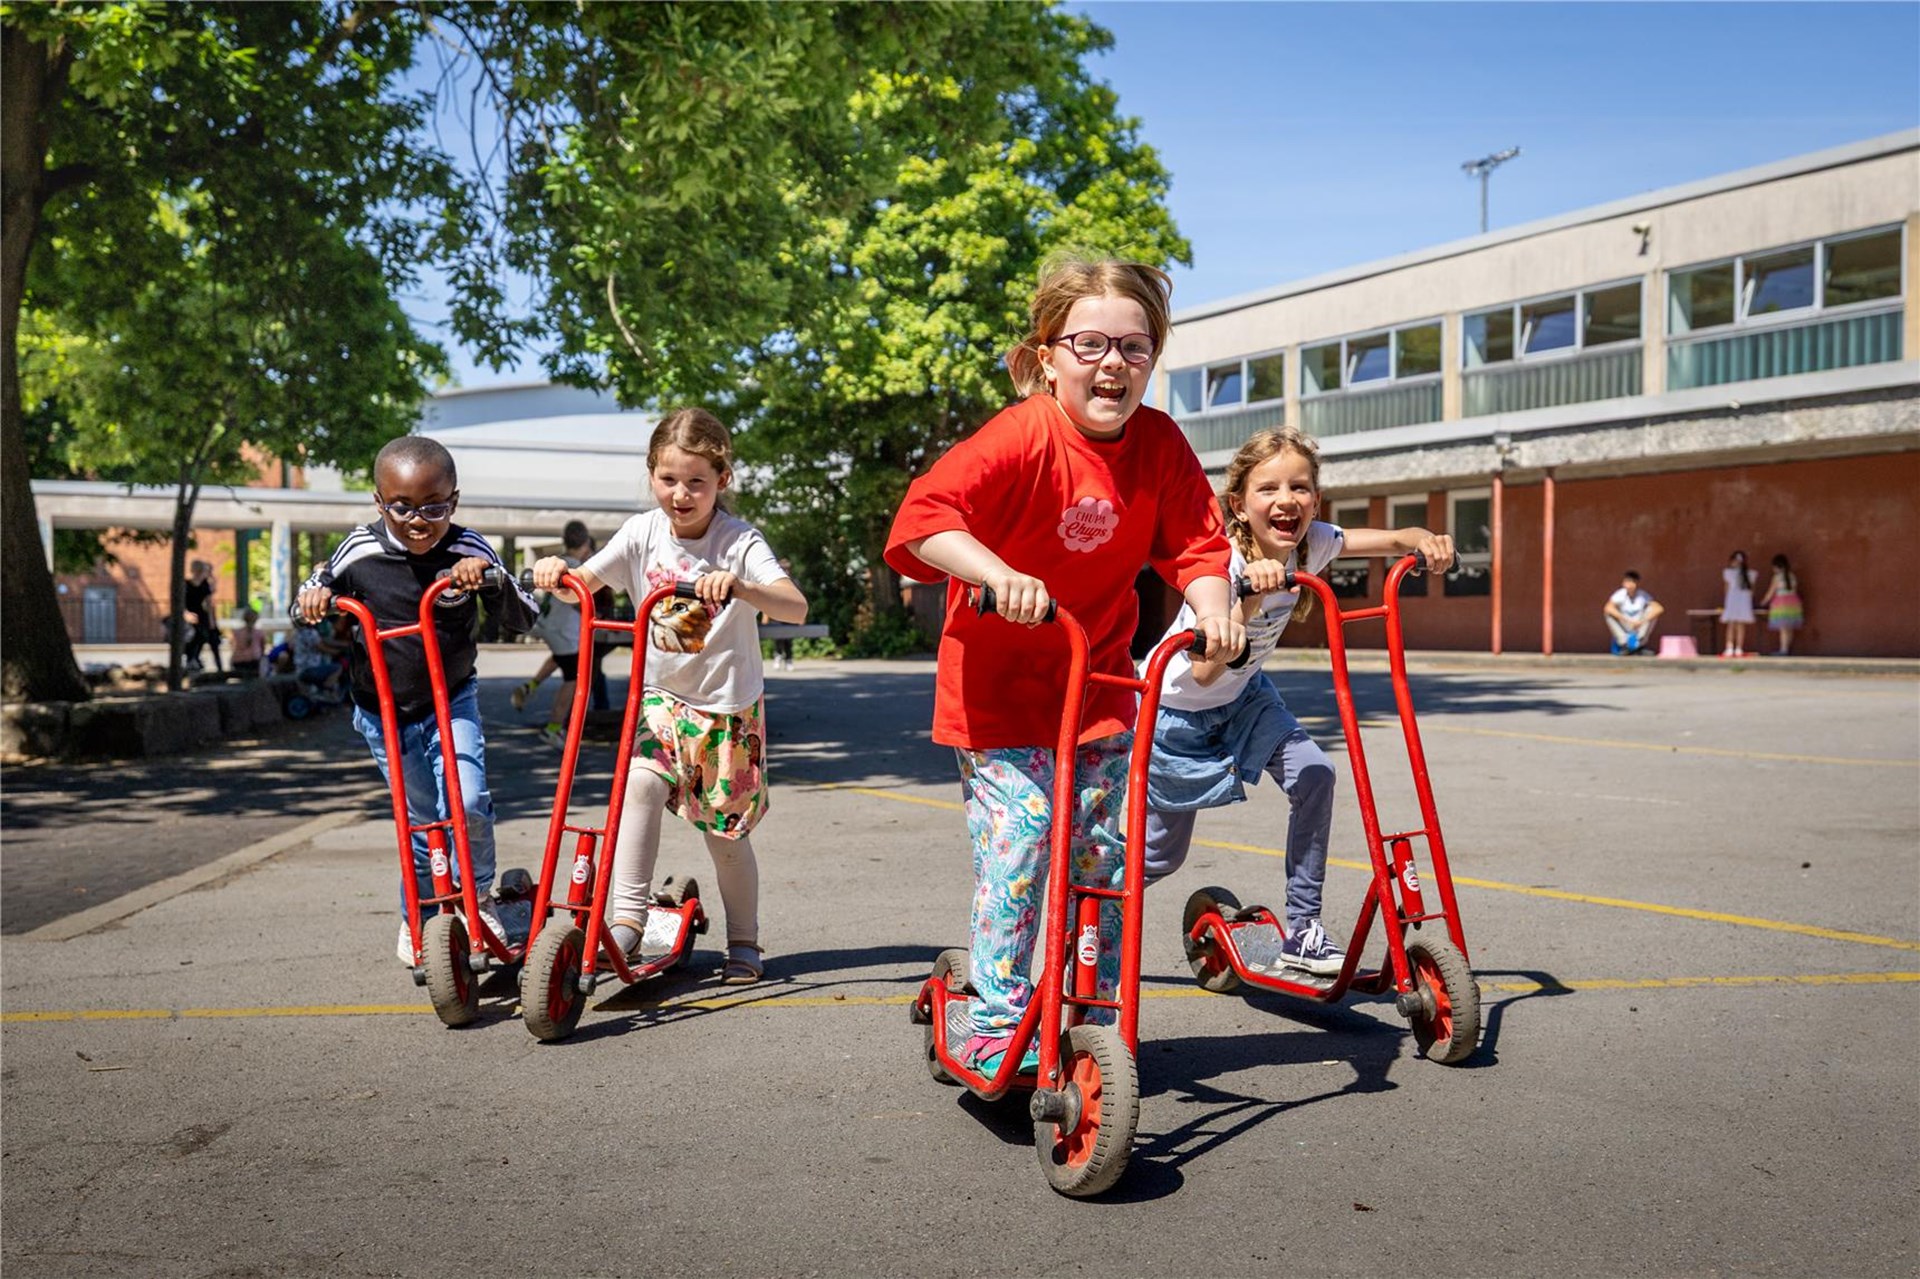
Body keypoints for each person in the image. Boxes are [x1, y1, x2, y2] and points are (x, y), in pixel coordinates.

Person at [883, 255, 1240, 1078]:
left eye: (1135, 347)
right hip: (999, 695)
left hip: (1099, 689)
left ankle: (1092, 1008)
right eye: (1089, 344)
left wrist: (1213, 604)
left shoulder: (1158, 444)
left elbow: (1197, 542)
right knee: (1025, 837)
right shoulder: (1025, 434)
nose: (1113, 363)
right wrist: (991, 570)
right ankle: (996, 1013)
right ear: (1048, 355)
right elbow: (923, 520)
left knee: (1103, 855)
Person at [1142, 428, 1456, 974]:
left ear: (1315, 498)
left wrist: (1420, 538)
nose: (1286, 500)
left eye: (1301, 487)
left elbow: (1381, 539)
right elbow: (1204, 666)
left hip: (1244, 697)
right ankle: (1084, 905)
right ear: (1239, 506)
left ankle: (1304, 929)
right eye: (1268, 489)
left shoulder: (1311, 543)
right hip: (1175, 711)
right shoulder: (1220, 566)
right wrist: (1254, 597)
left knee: (1316, 774)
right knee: (1160, 855)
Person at [532, 408, 808, 986]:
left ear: (721, 480)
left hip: (727, 709)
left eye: (696, 482)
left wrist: (741, 586)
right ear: (651, 474)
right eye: (668, 479)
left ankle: (744, 941)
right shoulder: (641, 534)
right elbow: (581, 586)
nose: (680, 495)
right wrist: (557, 572)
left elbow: (794, 605)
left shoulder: (738, 541)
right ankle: (626, 921)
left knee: (725, 837)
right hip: (659, 699)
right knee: (639, 785)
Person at [297, 435, 537, 964]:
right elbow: (316, 583)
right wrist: (312, 596)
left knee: (467, 803)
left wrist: (488, 582)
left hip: (450, 700)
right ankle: (422, 917)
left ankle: (478, 901)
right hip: (381, 710)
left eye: (435, 507)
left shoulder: (469, 546)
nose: (419, 521)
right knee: (421, 820)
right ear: (380, 501)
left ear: (454, 499)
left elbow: (525, 614)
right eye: (402, 507)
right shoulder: (360, 548)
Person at [1603, 571, 1664, 655]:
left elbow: (1659, 608)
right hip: (1626, 624)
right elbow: (1608, 608)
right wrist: (1626, 620)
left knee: (1651, 611)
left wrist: (1642, 621)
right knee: (1609, 614)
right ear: (1623, 583)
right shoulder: (1620, 595)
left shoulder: (1643, 595)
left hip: (1639, 625)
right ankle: (1624, 645)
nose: (1630, 585)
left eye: (1633, 582)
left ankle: (1640, 645)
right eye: (1628, 582)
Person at [182, 560, 223, 673]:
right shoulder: (186, 584)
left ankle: (219, 666)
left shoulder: (205, 584)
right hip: (190, 613)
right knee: (196, 636)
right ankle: (192, 659)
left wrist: (211, 622)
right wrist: (186, 614)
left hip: (201, 613)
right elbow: (181, 603)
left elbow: (208, 602)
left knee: (211, 638)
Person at [1760, 554, 1805, 655]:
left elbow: (1771, 592)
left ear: (1776, 566)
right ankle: (1787, 648)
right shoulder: (1792, 576)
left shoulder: (1777, 577)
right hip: (1793, 602)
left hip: (1781, 603)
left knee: (1783, 627)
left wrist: (1763, 602)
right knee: (1789, 627)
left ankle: (1783, 649)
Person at [1720, 549, 1756, 658]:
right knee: (1733, 623)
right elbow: (1752, 591)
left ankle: (1736, 648)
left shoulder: (1748, 574)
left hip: (1735, 599)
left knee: (1737, 624)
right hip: (1738, 600)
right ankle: (1731, 647)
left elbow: (1726, 588)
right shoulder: (1731, 573)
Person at [767, 558, 797, 671]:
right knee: (778, 638)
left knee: (788, 639)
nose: (786, 570)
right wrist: (766, 615)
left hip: (789, 616)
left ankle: (789, 660)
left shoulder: (794, 583)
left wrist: (802, 617)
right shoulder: (773, 583)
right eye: (783, 568)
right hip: (776, 616)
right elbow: (768, 600)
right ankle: (778, 656)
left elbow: (801, 600)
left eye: (787, 569)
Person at [228, 607, 267, 678]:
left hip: (238, 661)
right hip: (254, 661)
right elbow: (263, 648)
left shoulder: (236, 632)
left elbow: (232, 646)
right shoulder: (259, 633)